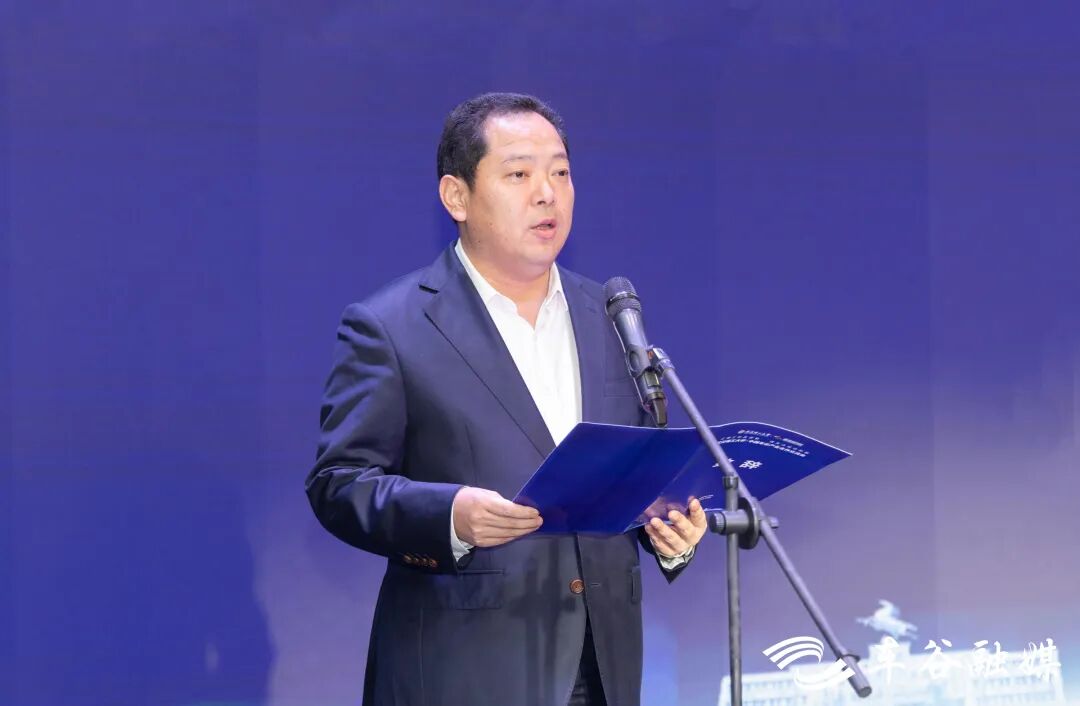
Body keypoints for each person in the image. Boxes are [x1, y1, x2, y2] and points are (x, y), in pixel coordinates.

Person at [306, 92, 707, 706]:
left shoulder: (608, 312)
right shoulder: (390, 326)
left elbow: (633, 475)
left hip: (603, 669)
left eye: (561, 173)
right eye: (519, 174)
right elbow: (339, 483)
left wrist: (666, 530)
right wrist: (451, 516)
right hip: (463, 673)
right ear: (457, 196)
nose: (547, 193)